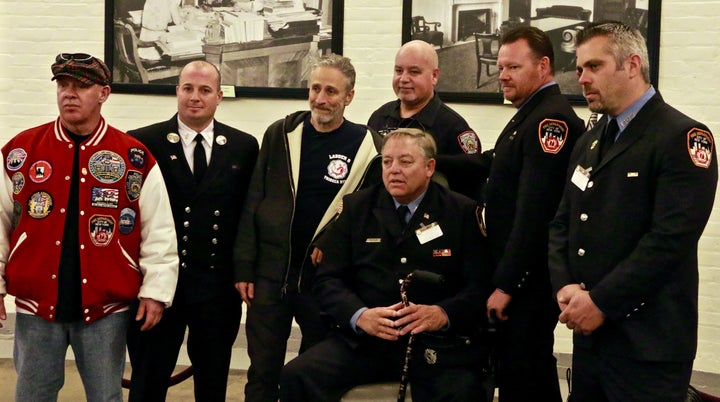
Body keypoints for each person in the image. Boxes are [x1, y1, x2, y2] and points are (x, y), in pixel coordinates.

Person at [548, 21, 718, 402]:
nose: (582, 79)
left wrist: (601, 302)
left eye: (594, 66)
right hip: (591, 338)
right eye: (579, 69)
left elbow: (669, 240)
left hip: (648, 343)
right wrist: (564, 286)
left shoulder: (681, 136)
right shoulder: (592, 138)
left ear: (632, 64)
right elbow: (564, 221)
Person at [0, 53, 178, 402]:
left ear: (104, 93)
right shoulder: (21, 151)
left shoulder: (133, 157)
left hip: (105, 309)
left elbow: (159, 229)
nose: (69, 93)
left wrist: (156, 290)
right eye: (63, 85)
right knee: (33, 394)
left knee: (105, 396)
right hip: (37, 306)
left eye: (81, 86)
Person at [279, 128, 492, 402]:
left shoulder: (461, 211)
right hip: (366, 341)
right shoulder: (357, 208)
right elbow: (328, 280)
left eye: (405, 162)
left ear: (429, 167)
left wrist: (443, 313)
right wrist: (359, 316)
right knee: (296, 376)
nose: (393, 170)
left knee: (465, 389)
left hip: (434, 343)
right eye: (387, 161)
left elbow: (479, 285)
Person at [233, 54, 383, 402]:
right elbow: (253, 200)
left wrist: (333, 239)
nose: (321, 98)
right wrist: (244, 265)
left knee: (312, 374)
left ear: (349, 97)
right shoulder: (282, 133)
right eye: (315, 88)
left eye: (331, 91)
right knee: (262, 373)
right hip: (271, 275)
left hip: (322, 281)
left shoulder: (369, 148)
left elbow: (367, 216)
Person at [126, 60, 259, 402]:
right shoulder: (143, 142)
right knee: (148, 380)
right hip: (159, 287)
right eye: (188, 88)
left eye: (204, 90)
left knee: (213, 382)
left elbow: (248, 217)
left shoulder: (244, 148)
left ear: (219, 96)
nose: (195, 97)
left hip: (216, 288)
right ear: (177, 92)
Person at [483, 26, 585, 402]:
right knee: (527, 373)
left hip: (528, 282)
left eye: (512, 67)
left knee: (523, 377)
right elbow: (493, 164)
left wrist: (507, 284)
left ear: (543, 66)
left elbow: (534, 213)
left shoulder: (549, 121)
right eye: (500, 67)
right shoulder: (529, 113)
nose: (503, 76)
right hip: (520, 277)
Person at [367, 39, 484, 200]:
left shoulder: (453, 127)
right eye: (399, 70)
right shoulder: (379, 117)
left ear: (434, 76)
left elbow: (470, 185)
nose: (404, 79)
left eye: (414, 72)